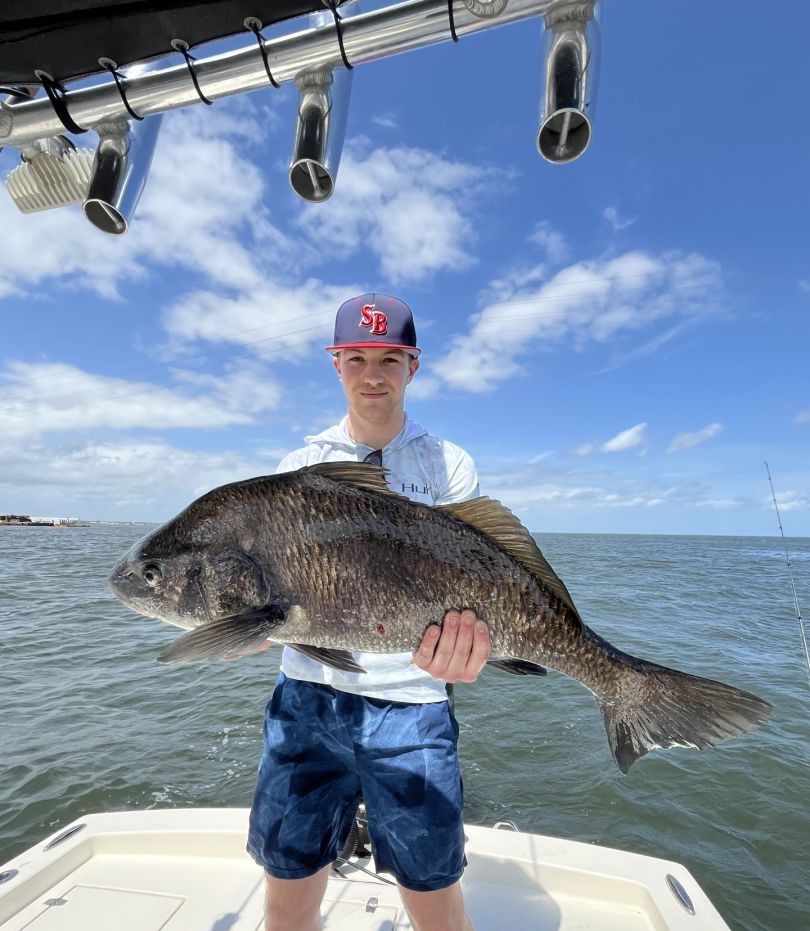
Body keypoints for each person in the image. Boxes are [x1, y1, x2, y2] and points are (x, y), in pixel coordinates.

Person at [244, 293, 491, 931]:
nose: (371, 374)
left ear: (414, 365)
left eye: (388, 359)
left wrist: (470, 652)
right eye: (356, 358)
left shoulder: (449, 465)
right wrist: (239, 628)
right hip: (306, 698)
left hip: (412, 701)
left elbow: (481, 577)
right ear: (336, 365)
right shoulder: (299, 467)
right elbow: (269, 599)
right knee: (287, 884)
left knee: (433, 888)